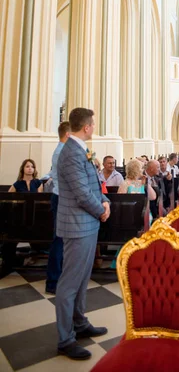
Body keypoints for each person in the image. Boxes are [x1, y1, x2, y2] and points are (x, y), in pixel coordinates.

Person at [55, 108, 110, 360]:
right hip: (77, 226)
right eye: (94, 124)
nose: (94, 127)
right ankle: (65, 339)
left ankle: (80, 323)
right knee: (69, 283)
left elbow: (93, 182)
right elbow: (81, 192)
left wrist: (105, 200)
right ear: (86, 127)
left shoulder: (80, 150)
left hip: (88, 224)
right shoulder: (70, 153)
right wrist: (101, 210)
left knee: (82, 278)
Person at [45, 121, 71, 295]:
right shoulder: (63, 152)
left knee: (61, 240)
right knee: (59, 240)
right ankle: (53, 281)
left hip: (61, 198)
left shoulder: (62, 150)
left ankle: (58, 278)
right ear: (68, 135)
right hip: (62, 199)